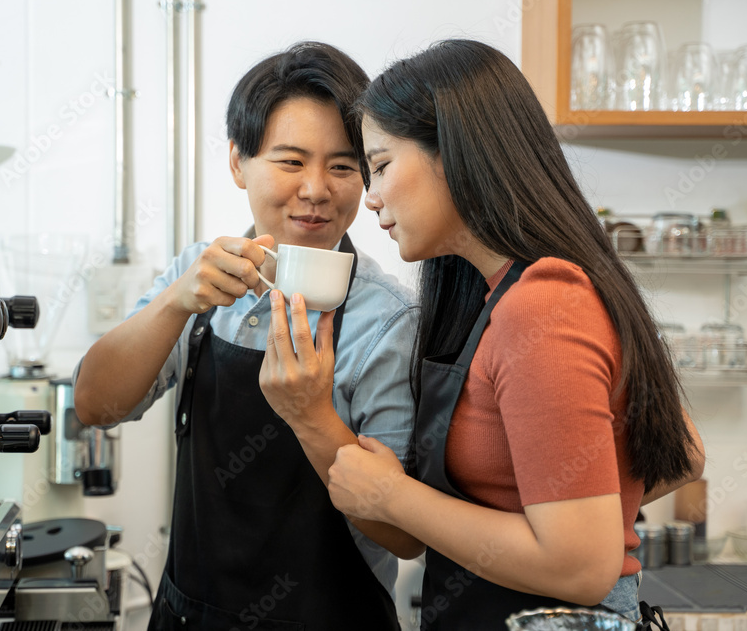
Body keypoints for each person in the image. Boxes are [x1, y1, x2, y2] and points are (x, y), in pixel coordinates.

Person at [262, 39, 705, 628]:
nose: (370, 198)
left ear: (456, 153)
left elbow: (582, 569)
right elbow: (683, 452)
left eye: (383, 165)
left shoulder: (543, 306)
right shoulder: (490, 295)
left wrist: (393, 496)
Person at [73, 41, 420, 630]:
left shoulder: (387, 321)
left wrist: (313, 416)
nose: (316, 189)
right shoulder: (196, 280)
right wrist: (176, 301)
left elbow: (404, 534)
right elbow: (95, 405)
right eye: (290, 161)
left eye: (342, 166)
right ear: (238, 162)